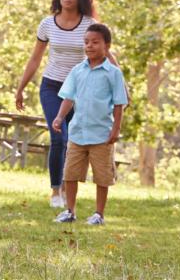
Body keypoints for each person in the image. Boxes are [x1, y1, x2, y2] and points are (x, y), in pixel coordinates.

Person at [11, 0, 101, 208]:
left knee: (73, 142)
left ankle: (66, 187)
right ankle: (55, 191)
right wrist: (20, 88)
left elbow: (104, 52)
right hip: (52, 87)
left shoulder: (88, 24)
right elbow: (35, 58)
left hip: (79, 90)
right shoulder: (47, 24)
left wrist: (118, 79)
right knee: (58, 137)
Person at [49, 23, 128, 225]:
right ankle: (70, 211)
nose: (89, 46)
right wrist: (59, 117)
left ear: (106, 46)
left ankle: (98, 214)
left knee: (102, 176)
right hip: (78, 133)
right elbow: (68, 97)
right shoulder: (77, 71)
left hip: (102, 135)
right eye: (86, 42)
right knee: (70, 173)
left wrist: (116, 129)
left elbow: (120, 103)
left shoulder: (113, 73)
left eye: (95, 42)